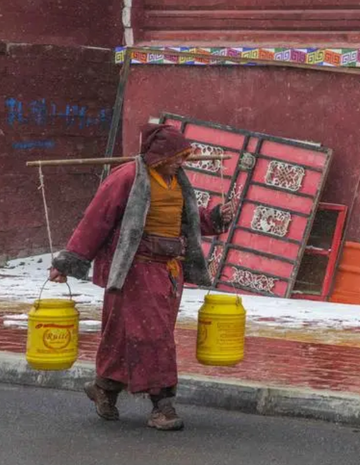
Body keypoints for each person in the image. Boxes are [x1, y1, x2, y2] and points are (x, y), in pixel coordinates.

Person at [49, 123, 233, 431]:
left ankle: (104, 388)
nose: (181, 161)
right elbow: (96, 220)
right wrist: (68, 262)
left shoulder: (177, 181)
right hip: (135, 268)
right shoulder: (128, 177)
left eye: (184, 155)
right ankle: (162, 404)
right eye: (177, 155)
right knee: (154, 335)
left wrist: (213, 218)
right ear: (160, 155)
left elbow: (187, 219)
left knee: (127, 333)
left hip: (168, 270)